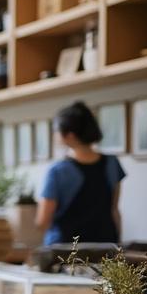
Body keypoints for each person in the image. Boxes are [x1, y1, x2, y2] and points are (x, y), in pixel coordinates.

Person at [37, 102, 125, 246]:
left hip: (65, 252)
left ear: (70, 136)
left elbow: (43, 222)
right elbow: (114, 210)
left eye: (56, 130)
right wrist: (118, 247)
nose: (54, 135)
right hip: (105, 248)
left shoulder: (58, 171)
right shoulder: (112, 163)